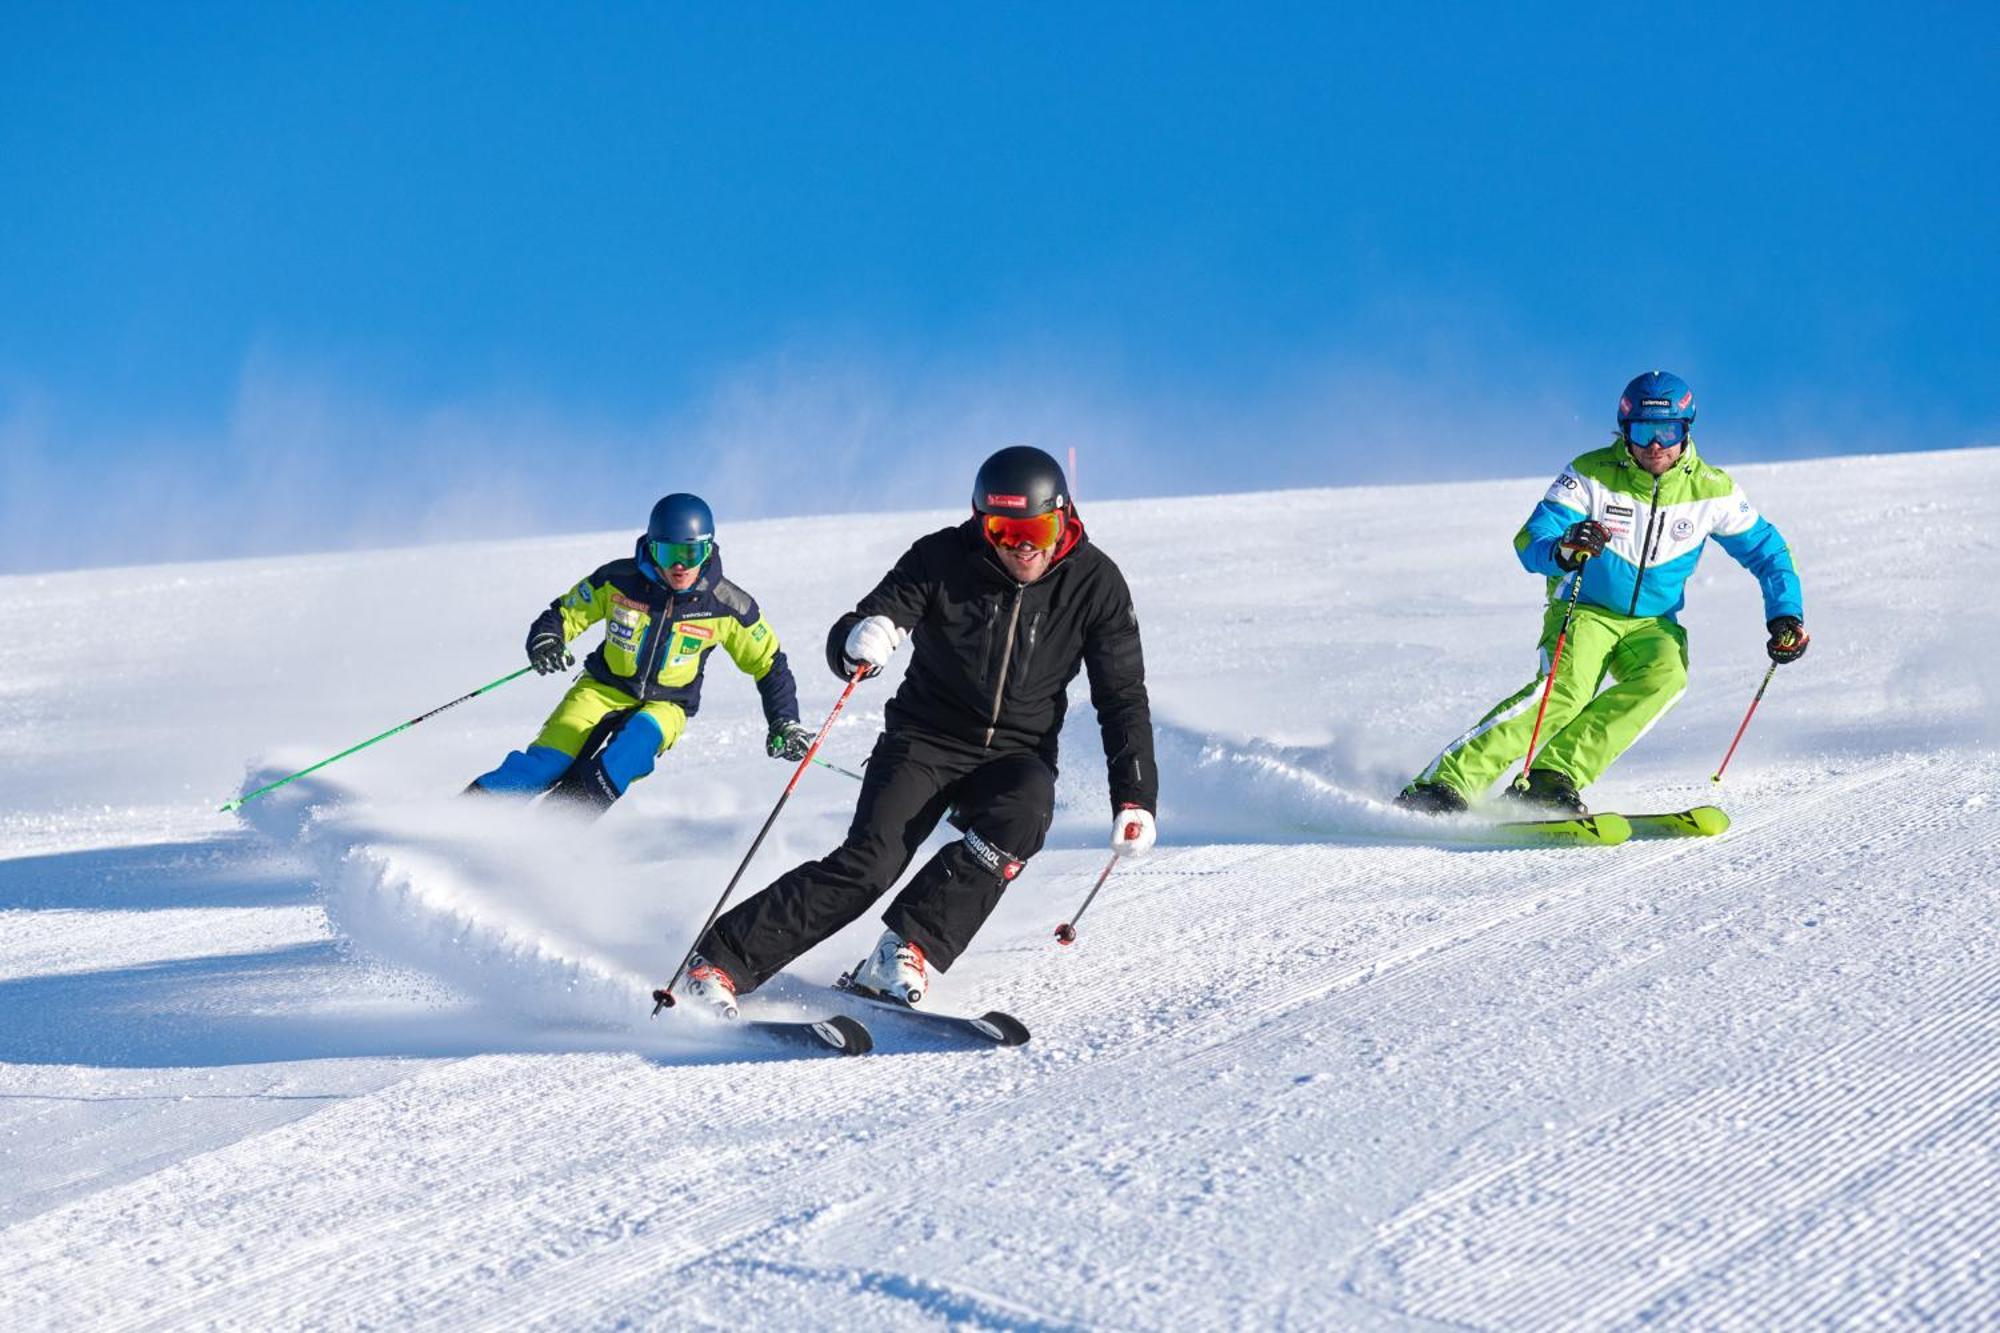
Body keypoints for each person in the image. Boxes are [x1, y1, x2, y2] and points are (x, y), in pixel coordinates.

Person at [680, 445, 1158, 1016]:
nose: (1023, 545)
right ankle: (719, 959)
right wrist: (863, 635)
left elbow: (1122, 697)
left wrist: (1135, 797)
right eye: (1005, 530)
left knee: (1025, 811)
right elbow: (866, 620)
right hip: (924, 740)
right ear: (983, 524)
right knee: (870, 864)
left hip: (1015, 753)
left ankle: (904, 948)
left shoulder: (1096, 584)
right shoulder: (940, 557)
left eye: (1038, 527)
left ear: (1065, 518)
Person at [1397, 371, 1807, 816]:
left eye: (1667, 431)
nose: (1655, 445)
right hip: (1585, 610)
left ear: (1686, 430)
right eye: (1644, 432)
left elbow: (1769, 552)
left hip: (1653, 622)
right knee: (1563, 694)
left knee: (1665, 678)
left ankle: (1553, 777)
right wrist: (1564, 549)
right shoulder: (1590, 474)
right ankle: (1442, 783)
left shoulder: (1714, 491)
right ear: (1624, 429)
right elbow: (1531, 539)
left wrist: (1785, 615)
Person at [467, 493, 810, 813]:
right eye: (667, 553)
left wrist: (785, 721)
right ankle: (463, 816)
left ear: (708, 550)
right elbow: (565, 613)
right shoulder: (618, 580)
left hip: (667, 704)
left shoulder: (727, 605)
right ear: (650, 547)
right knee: (546, 764)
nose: (679, 567)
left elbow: (769, 664)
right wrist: (547, 638)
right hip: (601, 689)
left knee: (626, 756)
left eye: (689, 554)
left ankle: (549, 832)